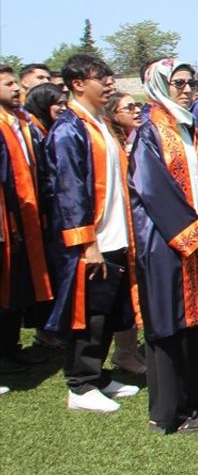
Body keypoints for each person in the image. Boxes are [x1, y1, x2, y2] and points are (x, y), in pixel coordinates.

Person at [43, 54, 142, 412]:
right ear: (78, 83)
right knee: (89, 313)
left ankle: (98, 376)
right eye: (102, 77)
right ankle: (80, 386)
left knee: (110, 310)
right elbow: (69, 191)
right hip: (91, 239)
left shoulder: (99, 122)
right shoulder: (69, 129)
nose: (110, 83)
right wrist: (87, 244)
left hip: (115, 232)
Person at [128, 59, 198, 432]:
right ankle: (167, 413)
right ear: (159, 86)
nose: (186, 88)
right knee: (167, 326)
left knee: (194, 325)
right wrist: (193, 235)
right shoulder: (150, 132)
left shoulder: (193, 131)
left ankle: (193, 403)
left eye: (191, 82)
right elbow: (152, 189)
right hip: (166, 243)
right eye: (177, 82)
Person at [0, 66, 53, 377]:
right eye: (8, 84)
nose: (16, 89)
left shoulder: (23, 122)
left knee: (16, 286)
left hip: (25, 214)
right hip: (7, 215)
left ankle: (10, 349)